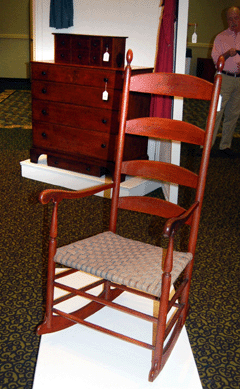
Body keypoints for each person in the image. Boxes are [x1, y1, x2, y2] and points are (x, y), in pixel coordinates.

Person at [211, 6, 240, 156]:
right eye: (230, 18)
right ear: (226, 20)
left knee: (233, 114)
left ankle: (225, 146)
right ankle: (208, 146)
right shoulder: (220, 37)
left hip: (239, 81)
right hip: (224, 78)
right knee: (217, 111)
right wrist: (227, 54)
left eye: (236, 18)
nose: (233, 21)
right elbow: (217, 61)